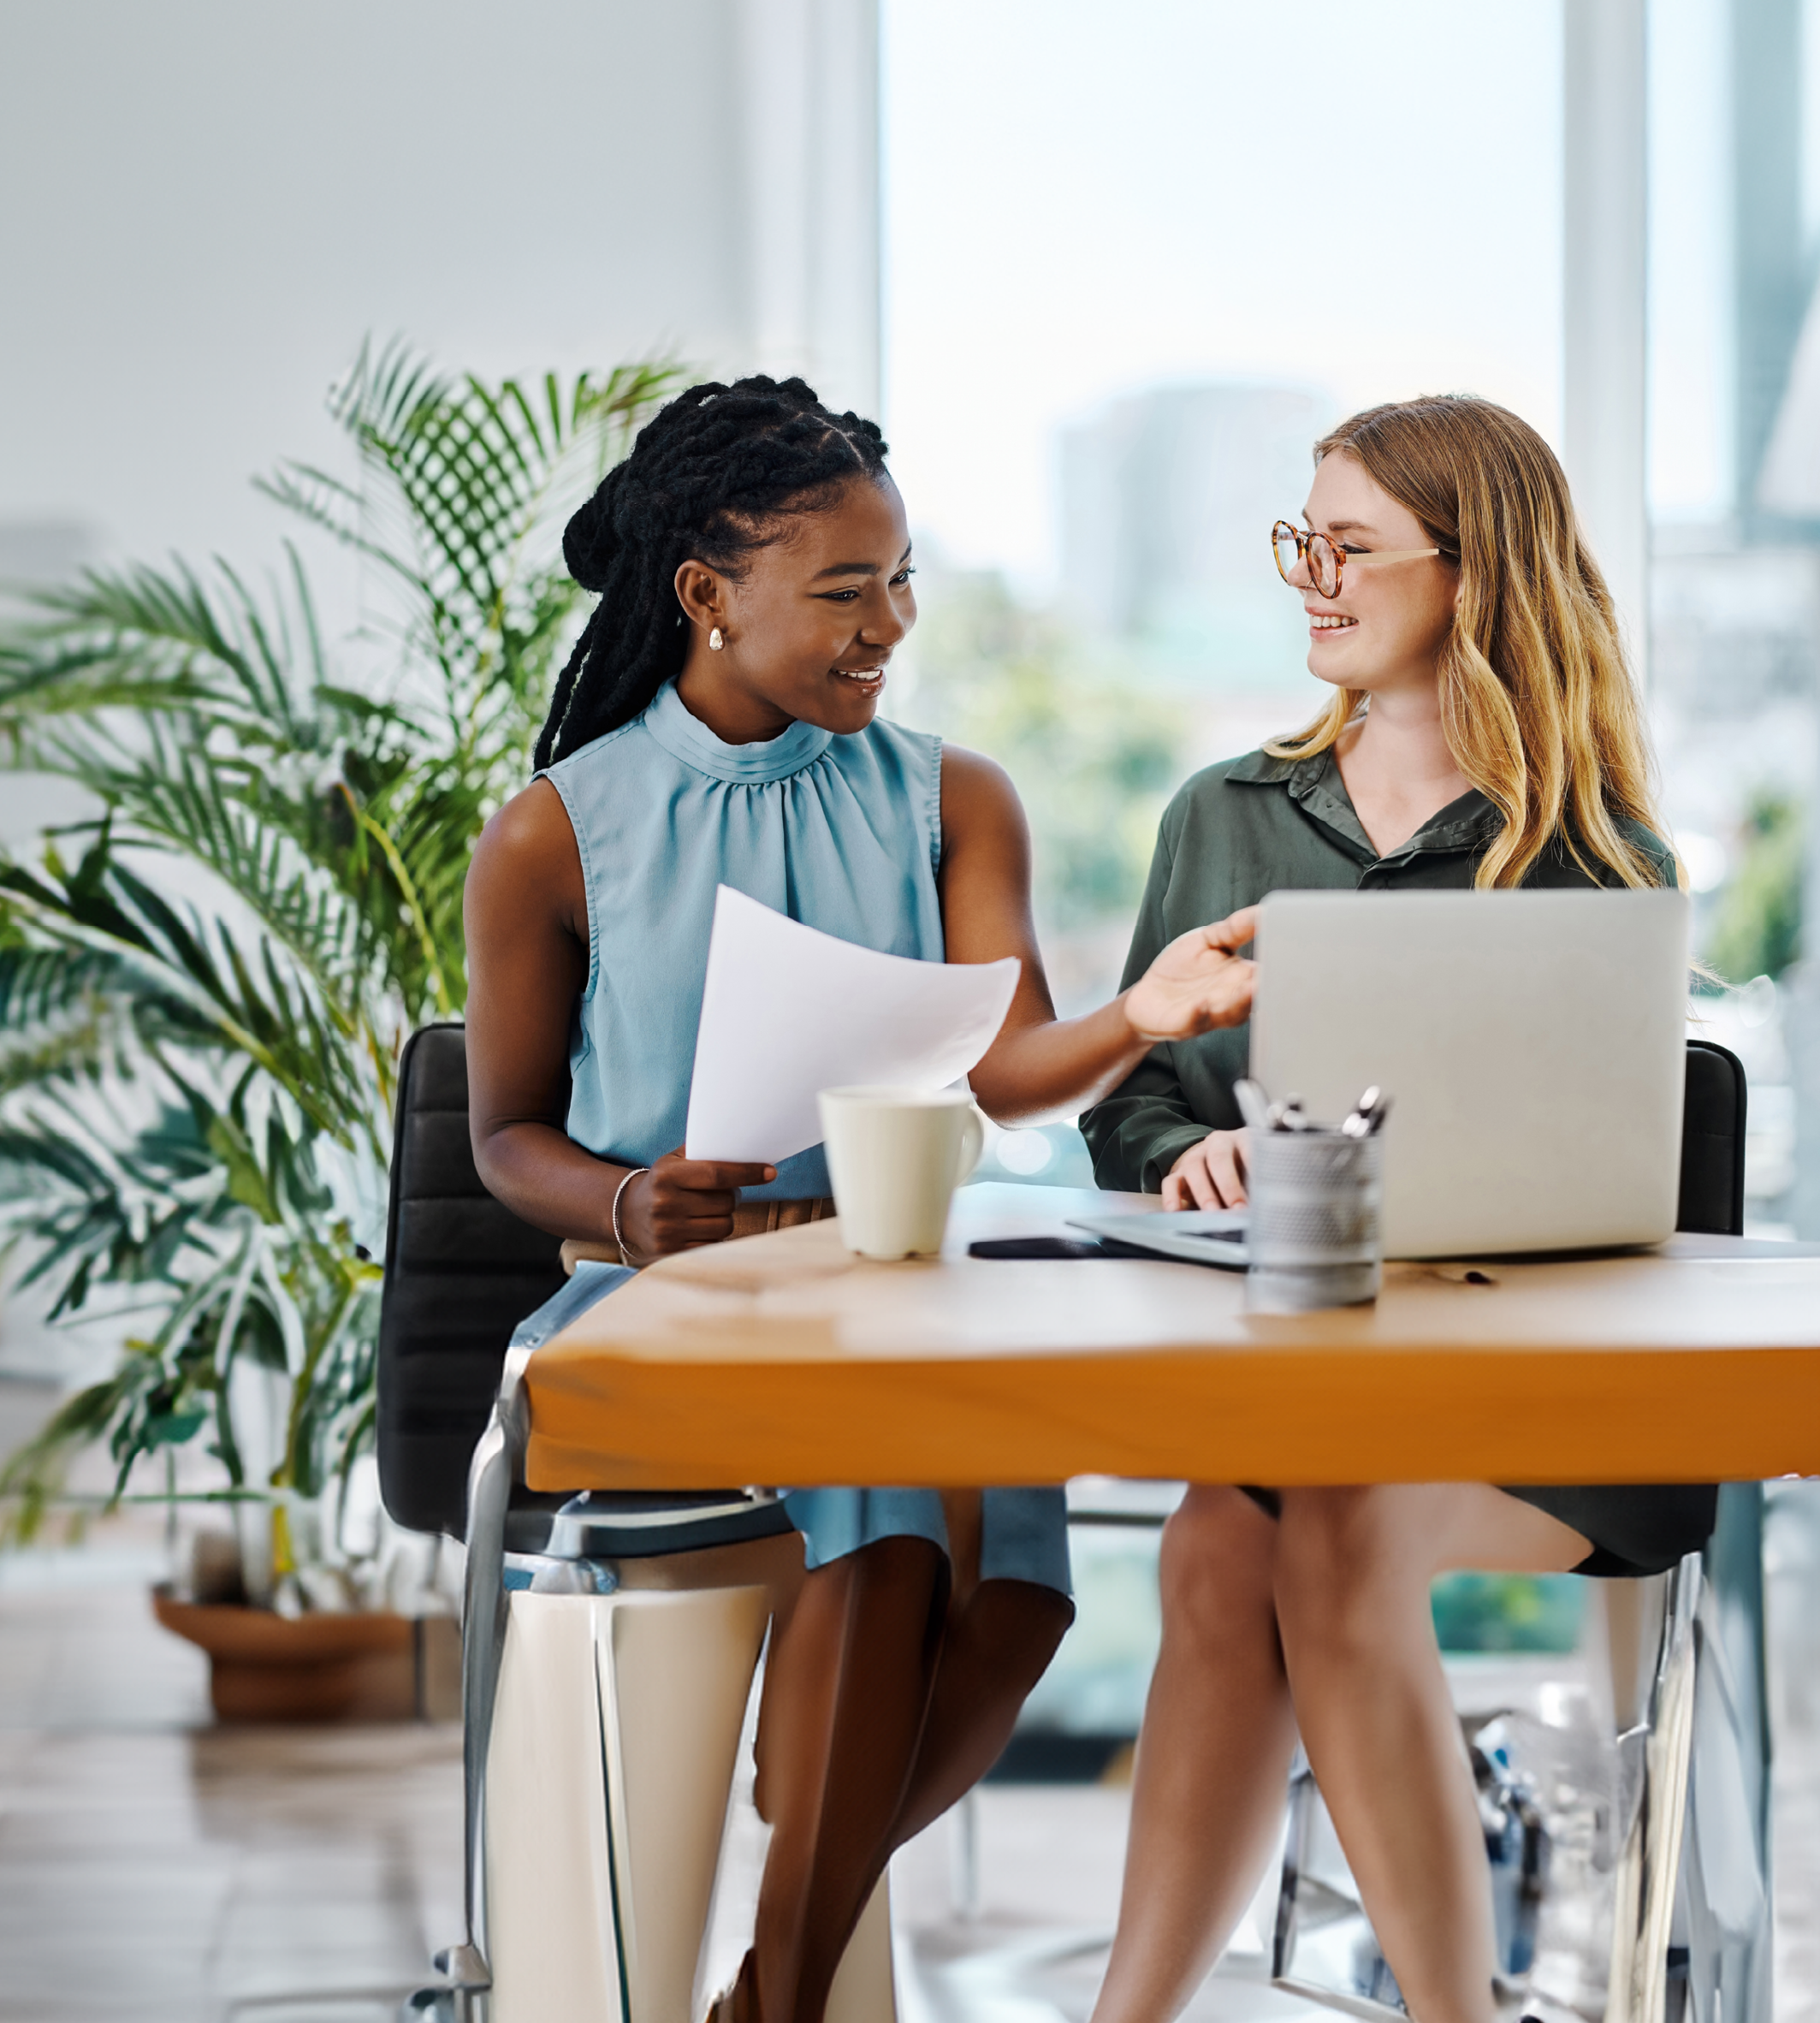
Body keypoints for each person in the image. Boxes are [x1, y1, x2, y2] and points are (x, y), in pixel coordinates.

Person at [461, 376, 1256, 2023]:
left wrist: (1144, 1014)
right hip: (671, 1300)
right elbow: (503, 1142)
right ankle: (794, 1998)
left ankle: (765, 1985)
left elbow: (1005, 1063)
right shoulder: (555, 836)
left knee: (1024, 1591)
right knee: (894, 1534)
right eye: (844, 591)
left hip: (896, 1273)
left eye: (902, 584)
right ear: (706, 594)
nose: (889, 624)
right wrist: (626, 1207)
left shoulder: (951, 798)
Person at [1079, 395, 1709, 2023]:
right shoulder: (1221, 817)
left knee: (1333, 1529)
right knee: (1221, 1550)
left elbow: (1629, 1168)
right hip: (1305, 1383)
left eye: (1348, 547)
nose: (1313, 578)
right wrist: (1176, 1155)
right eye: (1304, 540)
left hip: (1546, 1402)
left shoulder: (1592, 859)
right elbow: (1128, 1098)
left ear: (1472, 572)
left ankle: (1453, 2018)